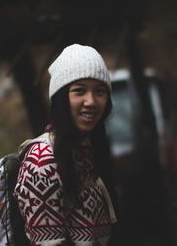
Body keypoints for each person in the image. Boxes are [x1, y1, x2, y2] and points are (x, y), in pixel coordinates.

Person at [14, 44, 118, 246]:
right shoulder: (41, 160)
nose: (91, 101)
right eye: (79, 91)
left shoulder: (88, 149)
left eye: (100, 91)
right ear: (62, 99)